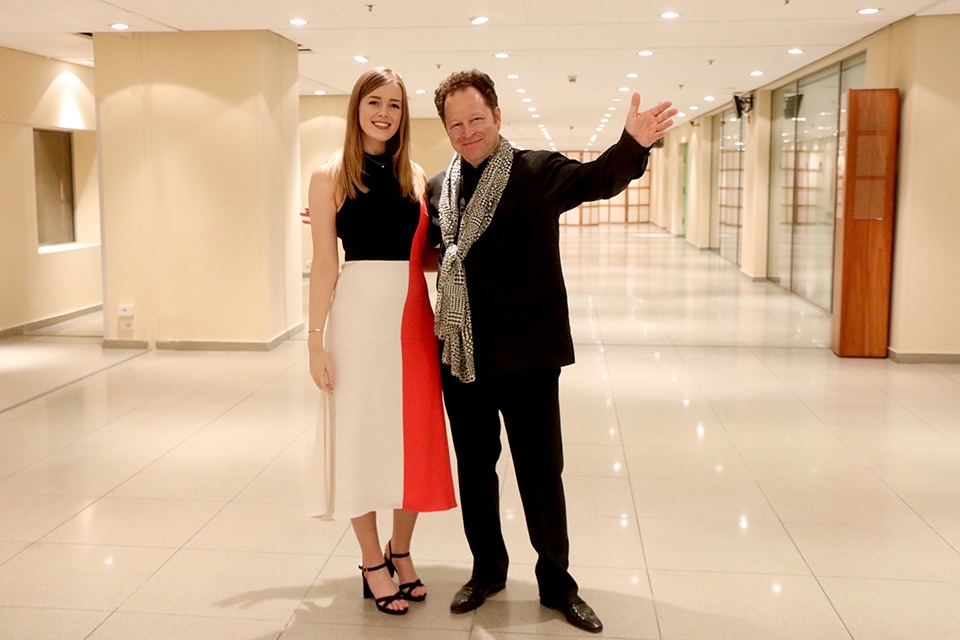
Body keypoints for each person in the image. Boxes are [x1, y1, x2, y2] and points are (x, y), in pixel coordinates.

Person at [428, 69, 676, 633]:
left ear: (497, 116)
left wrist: (632, 145)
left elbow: (598, 179)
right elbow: (427, 249)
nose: (467, 132)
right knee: (475, 470)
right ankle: (487, 570)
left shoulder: (537, 171)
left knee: (541, 473)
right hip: (462, 356)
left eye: (476, 119)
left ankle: (557, 582)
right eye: (456, 124)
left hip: (529, 359)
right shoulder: (439, 187)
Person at [305, 67, 456, 616]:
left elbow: (425, 255)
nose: (384, 113)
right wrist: (315, 339)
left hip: (413, 316)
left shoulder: (414, 175)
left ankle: (402, 549)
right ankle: (372, 560)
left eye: (394, 104)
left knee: (414, 436)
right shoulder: (329, 176)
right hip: (357, 321)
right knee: (361, 437)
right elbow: (325, 263)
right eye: (374, 102)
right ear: (357, 108)